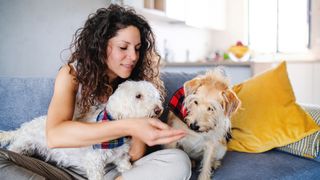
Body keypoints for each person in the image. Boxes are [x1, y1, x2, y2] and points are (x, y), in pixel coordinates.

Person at [0, 4, 191, 180]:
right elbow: (55, 136)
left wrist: (140, 125)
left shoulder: (137, 89)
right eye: (123, 47)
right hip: (58, 171)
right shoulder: (72, 75)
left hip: (112, 172)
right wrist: (130, 126)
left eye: (138, 49)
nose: (133, 57)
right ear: (100, 46)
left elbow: (134, 155)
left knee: (178, 161)